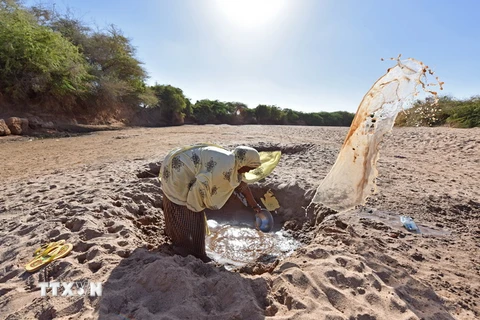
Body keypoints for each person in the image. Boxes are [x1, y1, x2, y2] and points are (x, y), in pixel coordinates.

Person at [160, 144, 263, 262]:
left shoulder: (232, 160)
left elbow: (242, 185)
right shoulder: (225, 168)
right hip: (178, 171)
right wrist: (195, 207)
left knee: (191, 213)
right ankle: (190, 251)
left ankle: (175, 236)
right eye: (249, 168)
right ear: (243, 162)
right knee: (188, 214)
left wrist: (255, 206)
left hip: (178, 163)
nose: (249, 171)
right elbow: (200, 185)